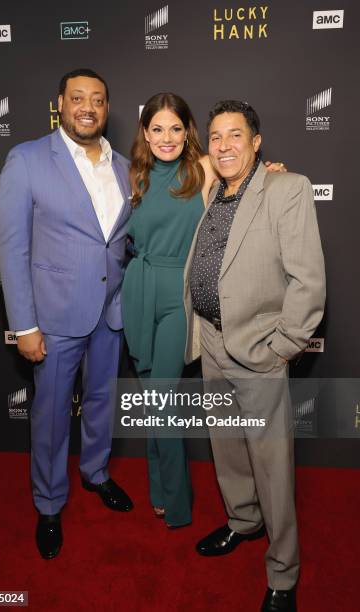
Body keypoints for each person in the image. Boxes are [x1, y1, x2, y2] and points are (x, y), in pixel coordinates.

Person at [183, 100, 326, 611]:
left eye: (235, 136)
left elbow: (308, 281)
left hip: (259, 351)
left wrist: (282, 348)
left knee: (272, 466)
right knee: (228, 449)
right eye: (216, 136)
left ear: (257, 141)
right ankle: (243, 522)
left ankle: (283, 574)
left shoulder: (287, 188)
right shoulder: (214, 192)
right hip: (213, 345)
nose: (223, 145)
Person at [122, 93, 285, 529]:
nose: (167, 138)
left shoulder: (204, 168)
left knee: (161, 397)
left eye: (176, 128)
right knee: (149, 399)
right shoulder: (133, 174)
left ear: (188, 131)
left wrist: (274, 173)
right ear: (145, 133)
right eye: (157, 128)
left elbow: (248, 175)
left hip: (179, 294)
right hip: (137, 288)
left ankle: (176, 502)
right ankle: (158, 487)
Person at [0, 68, 133, 560]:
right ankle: (49, 503)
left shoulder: (122, 166)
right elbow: (12, 250)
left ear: (106, 108)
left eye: (97, 99)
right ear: (60, 103)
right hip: (52, 318)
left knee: (101, 402)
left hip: (109, 313)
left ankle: (96, 473)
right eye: (77, 98)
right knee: (51, 416)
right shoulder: (28, 160)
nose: (87, 107)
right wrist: (24, 325)